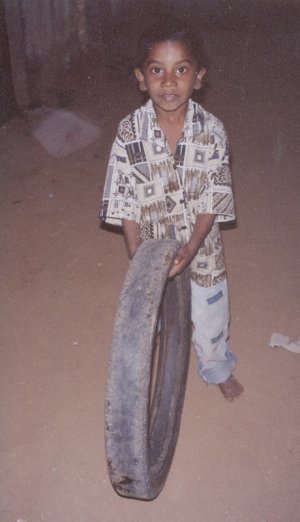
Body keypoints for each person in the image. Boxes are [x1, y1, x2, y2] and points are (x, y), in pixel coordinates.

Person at [100, 18, 243, 401]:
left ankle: (215, 364)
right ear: (140, 78)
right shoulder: (129, 132)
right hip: (150, 243)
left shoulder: (212, 131)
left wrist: (193, 246)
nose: (168, 82)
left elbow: (215, 194)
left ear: (198, 77)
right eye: (156, 71)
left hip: (202, 245)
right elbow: (123, 197)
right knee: (153, 315)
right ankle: (156, 361)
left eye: (181, 70)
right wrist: (137, 255)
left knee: (211, 309)